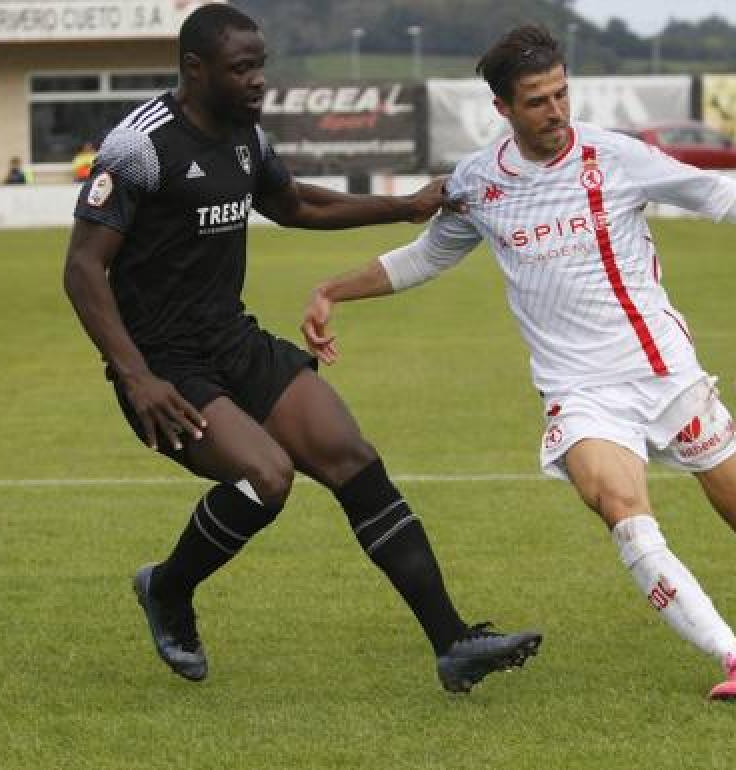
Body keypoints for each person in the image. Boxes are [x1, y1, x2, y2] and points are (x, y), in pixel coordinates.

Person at [301, 25, 736, 701]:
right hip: (580, 394)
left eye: (562, 93)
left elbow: (725, 196)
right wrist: (333, 290)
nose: (556, 110)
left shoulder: (615, 157)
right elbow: (426, 255)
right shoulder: (479, 183)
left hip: (664, 374)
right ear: (503, 109)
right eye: (537, 100)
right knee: (624, 508)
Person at [62, 4, 540, 692]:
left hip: (231, 338)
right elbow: (82, 268)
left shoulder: (244, 133)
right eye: (242, 68)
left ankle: (453, 643)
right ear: (195, 70)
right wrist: (135, 377)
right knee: (267, 476)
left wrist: (402, 206)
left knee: (352, 457)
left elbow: (293, 206)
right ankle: (167, 589)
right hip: (162, 364)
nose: (257, 80)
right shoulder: (139, 146)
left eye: (261, 65)